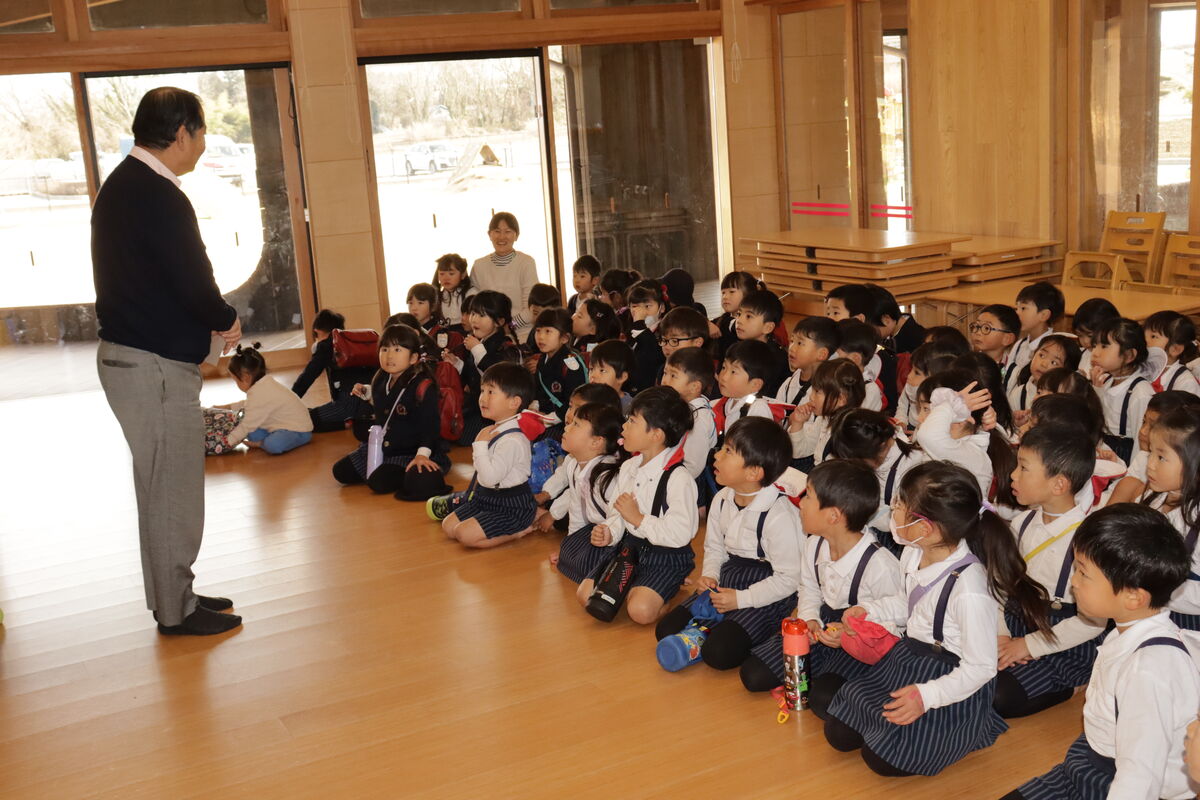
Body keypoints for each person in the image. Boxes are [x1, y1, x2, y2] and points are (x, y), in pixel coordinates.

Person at [92, 87, 243, 636]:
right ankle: (177, 612)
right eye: (201, 134)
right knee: (173, 491)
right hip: (151, 366)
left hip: (134, 361)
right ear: (182, 133)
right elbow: (191, 279)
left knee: (160, 489)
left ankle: (174, 596)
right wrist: (225, 317)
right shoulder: (155, 193)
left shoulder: (124, 185)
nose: (202, 145)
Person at [824, 461, 1053, 777]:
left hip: (950, 675)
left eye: (899, 506)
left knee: (881, 760)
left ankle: (968, 730)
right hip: (910, 659)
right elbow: (909, 603)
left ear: (924, 528)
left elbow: (981, 667)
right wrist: (871, 610)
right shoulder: (914, 551)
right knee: (838, 732)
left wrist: (926, 696)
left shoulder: (970, 589)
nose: (892, 511)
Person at [1003, 504, 1198, 800]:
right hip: (1090, 761)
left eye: (1083, 573)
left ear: (1133, 596)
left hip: (1112, 781)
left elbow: (1140, 776)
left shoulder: (1148, 669)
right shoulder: (1127, 632)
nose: (1073, 582)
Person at [740, 459, 904, 707]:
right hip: (824, 626)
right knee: (753, 675)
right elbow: (809, 588)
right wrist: (809, 618)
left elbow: (897, 624)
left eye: (808, 496)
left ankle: (831, 677)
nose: (801, 502)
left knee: (824, 699)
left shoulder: (880, 564)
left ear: (833, 516)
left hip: (859, 640)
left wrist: (850, 636)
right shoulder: (814, 543)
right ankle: (819, 669)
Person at [655, 417, 802, 671]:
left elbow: (789, 579)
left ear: (753, 472)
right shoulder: (722, 498)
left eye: (728, 451)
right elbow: (715, 548)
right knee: (665, 629)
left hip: (768, 590)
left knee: (718, 653)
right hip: (730, 577)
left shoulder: (779, 514)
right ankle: (712, 630)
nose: (716, 456)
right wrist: (710, 575)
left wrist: (742, 599)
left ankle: (742, 632)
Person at [996, 426, 1105, 718]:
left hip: (1062, 638)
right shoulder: (1021, 523)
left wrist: (1029, 645)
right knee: (962, 665)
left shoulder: (1089, 539)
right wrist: (1002, 635)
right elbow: (1000, 586)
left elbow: (1094, 622)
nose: (1013, 475)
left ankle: (1074, 685)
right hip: (1016, 620)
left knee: (999, 697)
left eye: (1023, 468)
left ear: (1059, 484)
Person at [577, 386, 697, 624]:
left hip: (666, 555)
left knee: (640, 612)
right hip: (630, 547)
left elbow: (682, 533)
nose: (624, 427)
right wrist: (609, 532)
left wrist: (639, 519)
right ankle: (641, 588)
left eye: (632, 421)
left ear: (656, 435)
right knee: (585, 596)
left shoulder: (679, 478)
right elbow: (617, 512)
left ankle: (669, 588)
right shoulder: (629, 467)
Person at [332, 324, 450, 499]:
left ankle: (420, 470)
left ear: (413, 358)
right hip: (384, 447)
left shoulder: (423, 385)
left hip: (411, 451)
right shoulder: (381, 378)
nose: (389, 355)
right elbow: (387, 403)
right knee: (340, 472)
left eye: (397, 349)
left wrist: (422, 456)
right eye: (384, 349)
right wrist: (366, 392)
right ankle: (386, 468)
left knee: (378, 483)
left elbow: (430, 426)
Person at [441, 363, 539, 548]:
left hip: (511, 505)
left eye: (491, 392)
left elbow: (489, 478)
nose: (482, 398)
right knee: (448, 526)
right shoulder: (495, 428)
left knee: (464, 535)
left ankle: (518, 531)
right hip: (485, 497)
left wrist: (479, 446)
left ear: (514, 402)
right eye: (482, 390)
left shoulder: (513, 440)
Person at [539, 402, 625, 582]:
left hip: (616, 535)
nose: (567, 427)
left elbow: (619, 520)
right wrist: (570, 547)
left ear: (596, 442)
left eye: (576, 425)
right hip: (594, 529)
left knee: (585, 568)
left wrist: (607, 535)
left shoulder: (606, 476)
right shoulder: (574, 465)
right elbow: (577, 512)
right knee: (568, 557)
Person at [290, 308, 375, 433]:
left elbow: (307, 377)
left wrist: (289, 400)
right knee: (309, 413)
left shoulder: (327, 345)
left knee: (299, 420)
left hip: (348, 404)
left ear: (317, 330)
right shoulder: (354, 342)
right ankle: (349, 421)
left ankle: (348, 421)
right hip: (372, 402)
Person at [220, 343, 313, 455]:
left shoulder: (260, 392)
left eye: (236, 380)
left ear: (246, 378)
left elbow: (247, 424)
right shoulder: (262, 385)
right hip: (279, 426)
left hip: (298, 430)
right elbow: (249, 405)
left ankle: (262, 443)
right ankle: (264, 441)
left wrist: (226, 442)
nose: (236, 384)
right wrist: (228, 407)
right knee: (252, 434)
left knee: (272, 444)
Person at [1091, 317, 1160, 463]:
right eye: (1095, 345)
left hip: (1124, 460)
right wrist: (1096, 391)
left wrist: (1132, 475)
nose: (1095, 353)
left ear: (1129, 355)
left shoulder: (1140, 393)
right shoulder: (1106, 381)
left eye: (1104, 346)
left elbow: (1142, 444)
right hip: (1102, 455)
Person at [469, 212, 539, 337]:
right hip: (488, 334)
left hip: (522, 334)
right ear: (489, 234)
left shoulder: (526, 263)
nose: (502, 237)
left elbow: (531, 308)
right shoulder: (479, 265)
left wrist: (510, 326)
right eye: (497, 231)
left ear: (516, 235)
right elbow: (474, 304)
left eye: (507, 231)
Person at [433, 253, 476, 331]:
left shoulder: (471, 293)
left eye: (451, 274)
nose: (446, 278)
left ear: (463, 275)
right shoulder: (437, 296)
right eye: (442, 274)